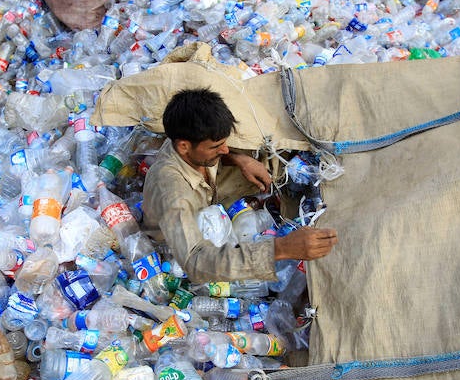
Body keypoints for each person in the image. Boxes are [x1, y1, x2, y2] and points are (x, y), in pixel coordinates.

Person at [142, 88, 338, 283]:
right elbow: (195, 261)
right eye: (215, 147)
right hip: (178, 247)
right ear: (183, 146)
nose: (225, 149)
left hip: (212, 205)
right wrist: (280, 249)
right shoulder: (172, 191)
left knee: (270, 165)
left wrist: (238, 159)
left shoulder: (190, 142)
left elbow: (219, 150)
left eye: (225, 143)